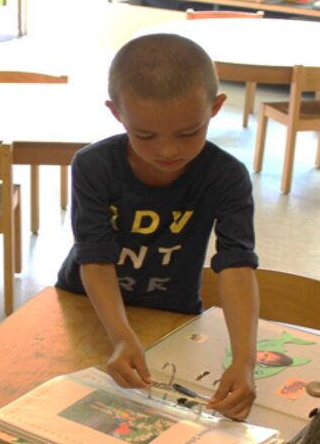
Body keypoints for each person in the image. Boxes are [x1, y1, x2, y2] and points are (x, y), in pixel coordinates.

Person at [55, 33, 260, 420]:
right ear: (117, 114)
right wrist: (120, 334)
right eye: (144, 135)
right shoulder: (94, 166)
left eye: (188, 132)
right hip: (86, 306)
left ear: (215, 108)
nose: (167, 151)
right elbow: (95, 258)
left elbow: (236, 266)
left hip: (172, 312)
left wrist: (244, 360)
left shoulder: (226, 176)